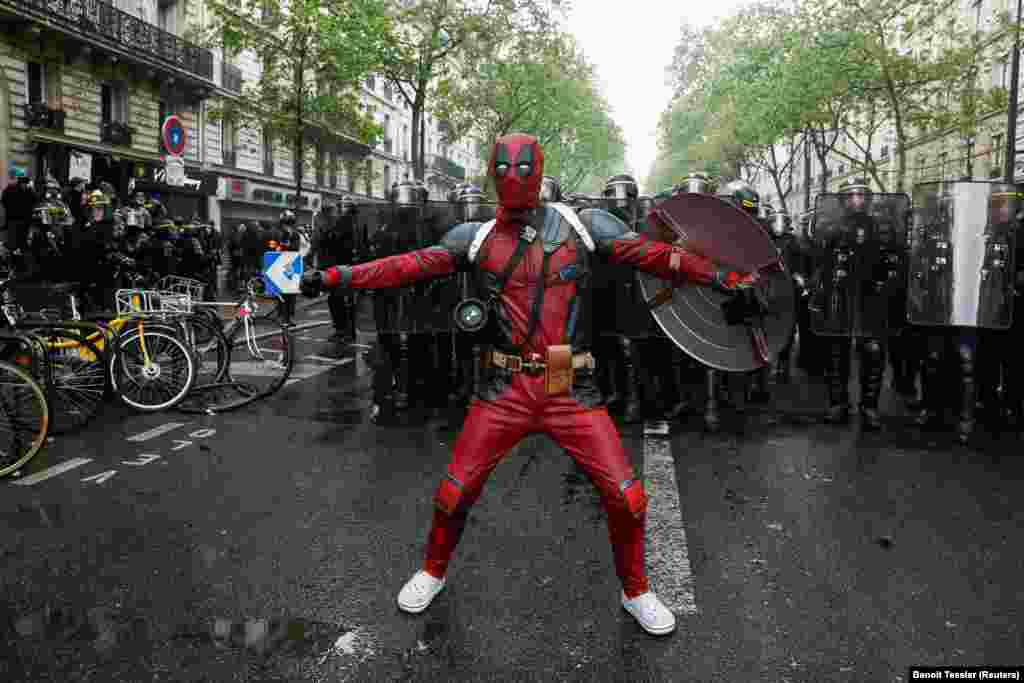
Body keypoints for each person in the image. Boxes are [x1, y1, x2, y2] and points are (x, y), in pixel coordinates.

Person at [300, 133, 757, 636]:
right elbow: (406, 268)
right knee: (453, 495)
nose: (512, 179)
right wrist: (337, 276)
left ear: (536, 173)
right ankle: (433, 570)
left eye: (520, 170)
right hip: (504, 386)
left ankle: (636, 589)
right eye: (503, 170)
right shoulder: (474, 238)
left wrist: (721, 278)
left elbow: (657, 257)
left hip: (568, 383)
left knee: (627, 498)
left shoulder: (584, 228)